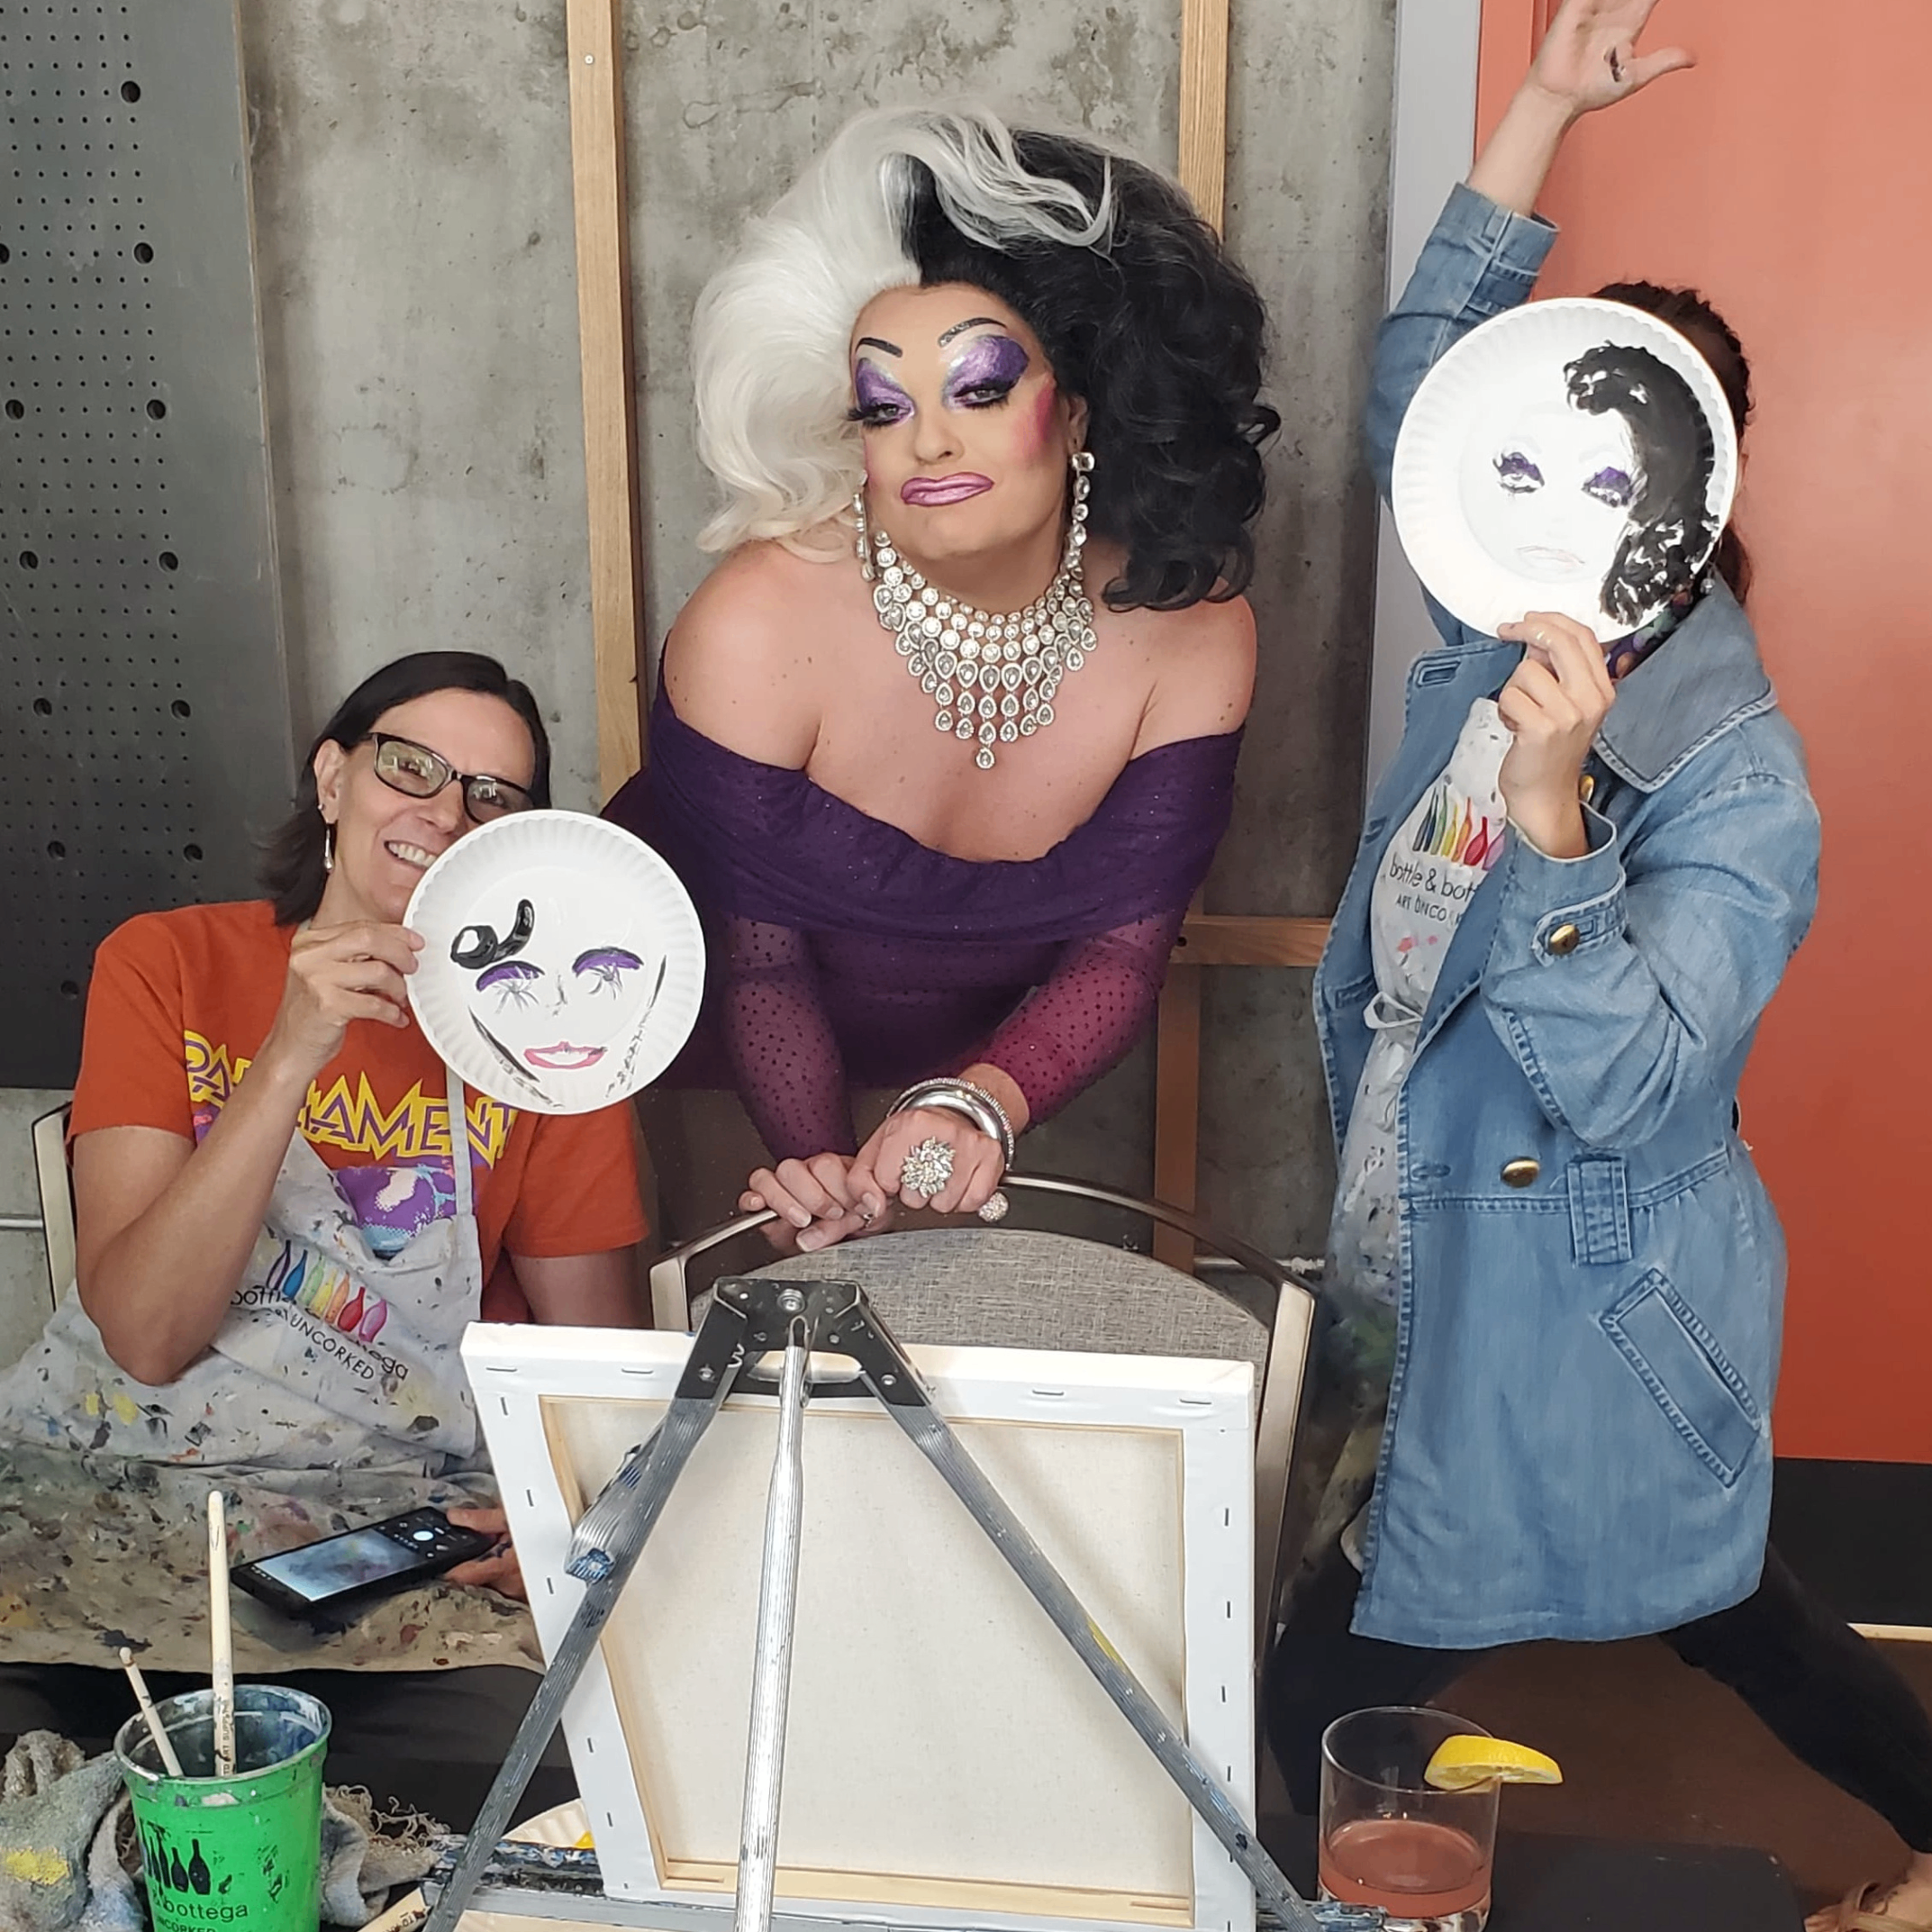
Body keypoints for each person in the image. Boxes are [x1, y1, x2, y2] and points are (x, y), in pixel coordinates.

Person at [1265, 7, 1932, 1930]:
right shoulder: (1493, 594)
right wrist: (1544, 107)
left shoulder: (1737, 772)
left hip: (1591, 1285)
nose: (1526, 491)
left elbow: (1632, 1076)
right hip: (1417, 1215)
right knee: (1665, 1598)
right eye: (1510, 449)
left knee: (1570, 1617)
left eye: (1592, 461)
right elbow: (1415, 388)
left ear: (1687, 497)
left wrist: (1554, 819)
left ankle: (1255, 1860)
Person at [605, 106, 1274, 1249]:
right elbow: (760, 968)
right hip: (692, 1064)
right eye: (883, 404)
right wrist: (825, 1181)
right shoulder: (754, 628)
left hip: (995, 1084)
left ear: (1075, 410)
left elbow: (1121, 948)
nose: (927, 444)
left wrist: (981, 1100)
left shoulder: (1192, 632)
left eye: (977, 388)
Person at [0, 651, 648, 1683]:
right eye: (411, 767)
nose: (444, 812)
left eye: (490, 795)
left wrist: (571, 1515)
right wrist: (294, 1048)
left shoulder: (557, 1042)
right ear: (334, 779)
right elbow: (147, 1335)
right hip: (107, 1472)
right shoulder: (167, 964)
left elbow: (598, 1378)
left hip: (387, 1513)